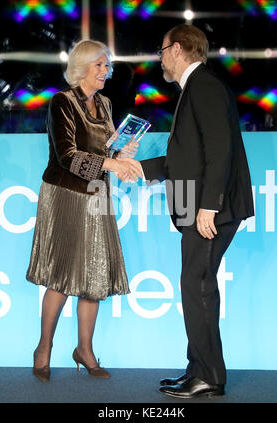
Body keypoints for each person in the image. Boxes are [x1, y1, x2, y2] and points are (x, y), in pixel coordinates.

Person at [132, 24, 254, 398]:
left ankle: (210, 377)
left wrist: (208, 207)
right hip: (199, 206)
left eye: (163, 49)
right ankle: (198, 369)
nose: (160, 57)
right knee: (195, 285)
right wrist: (138, 168)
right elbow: (187, 158)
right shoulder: (195, 88)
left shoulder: (204, 86)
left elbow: (221, 152)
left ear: (179, 49)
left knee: (197, 287)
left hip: (209, 209)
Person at [26, 39, 140, 382]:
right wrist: (109, 162)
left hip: (96, 194)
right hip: (65, 194)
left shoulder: (104, 103)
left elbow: (105, 151)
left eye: (108, 66)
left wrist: (122, 155)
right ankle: (43, 348)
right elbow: (68, 156)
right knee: (62, 276)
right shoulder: (62, 102)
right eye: (100, 65)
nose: (107, 71)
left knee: (94, 277)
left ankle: (84, 350)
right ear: (82, 67)